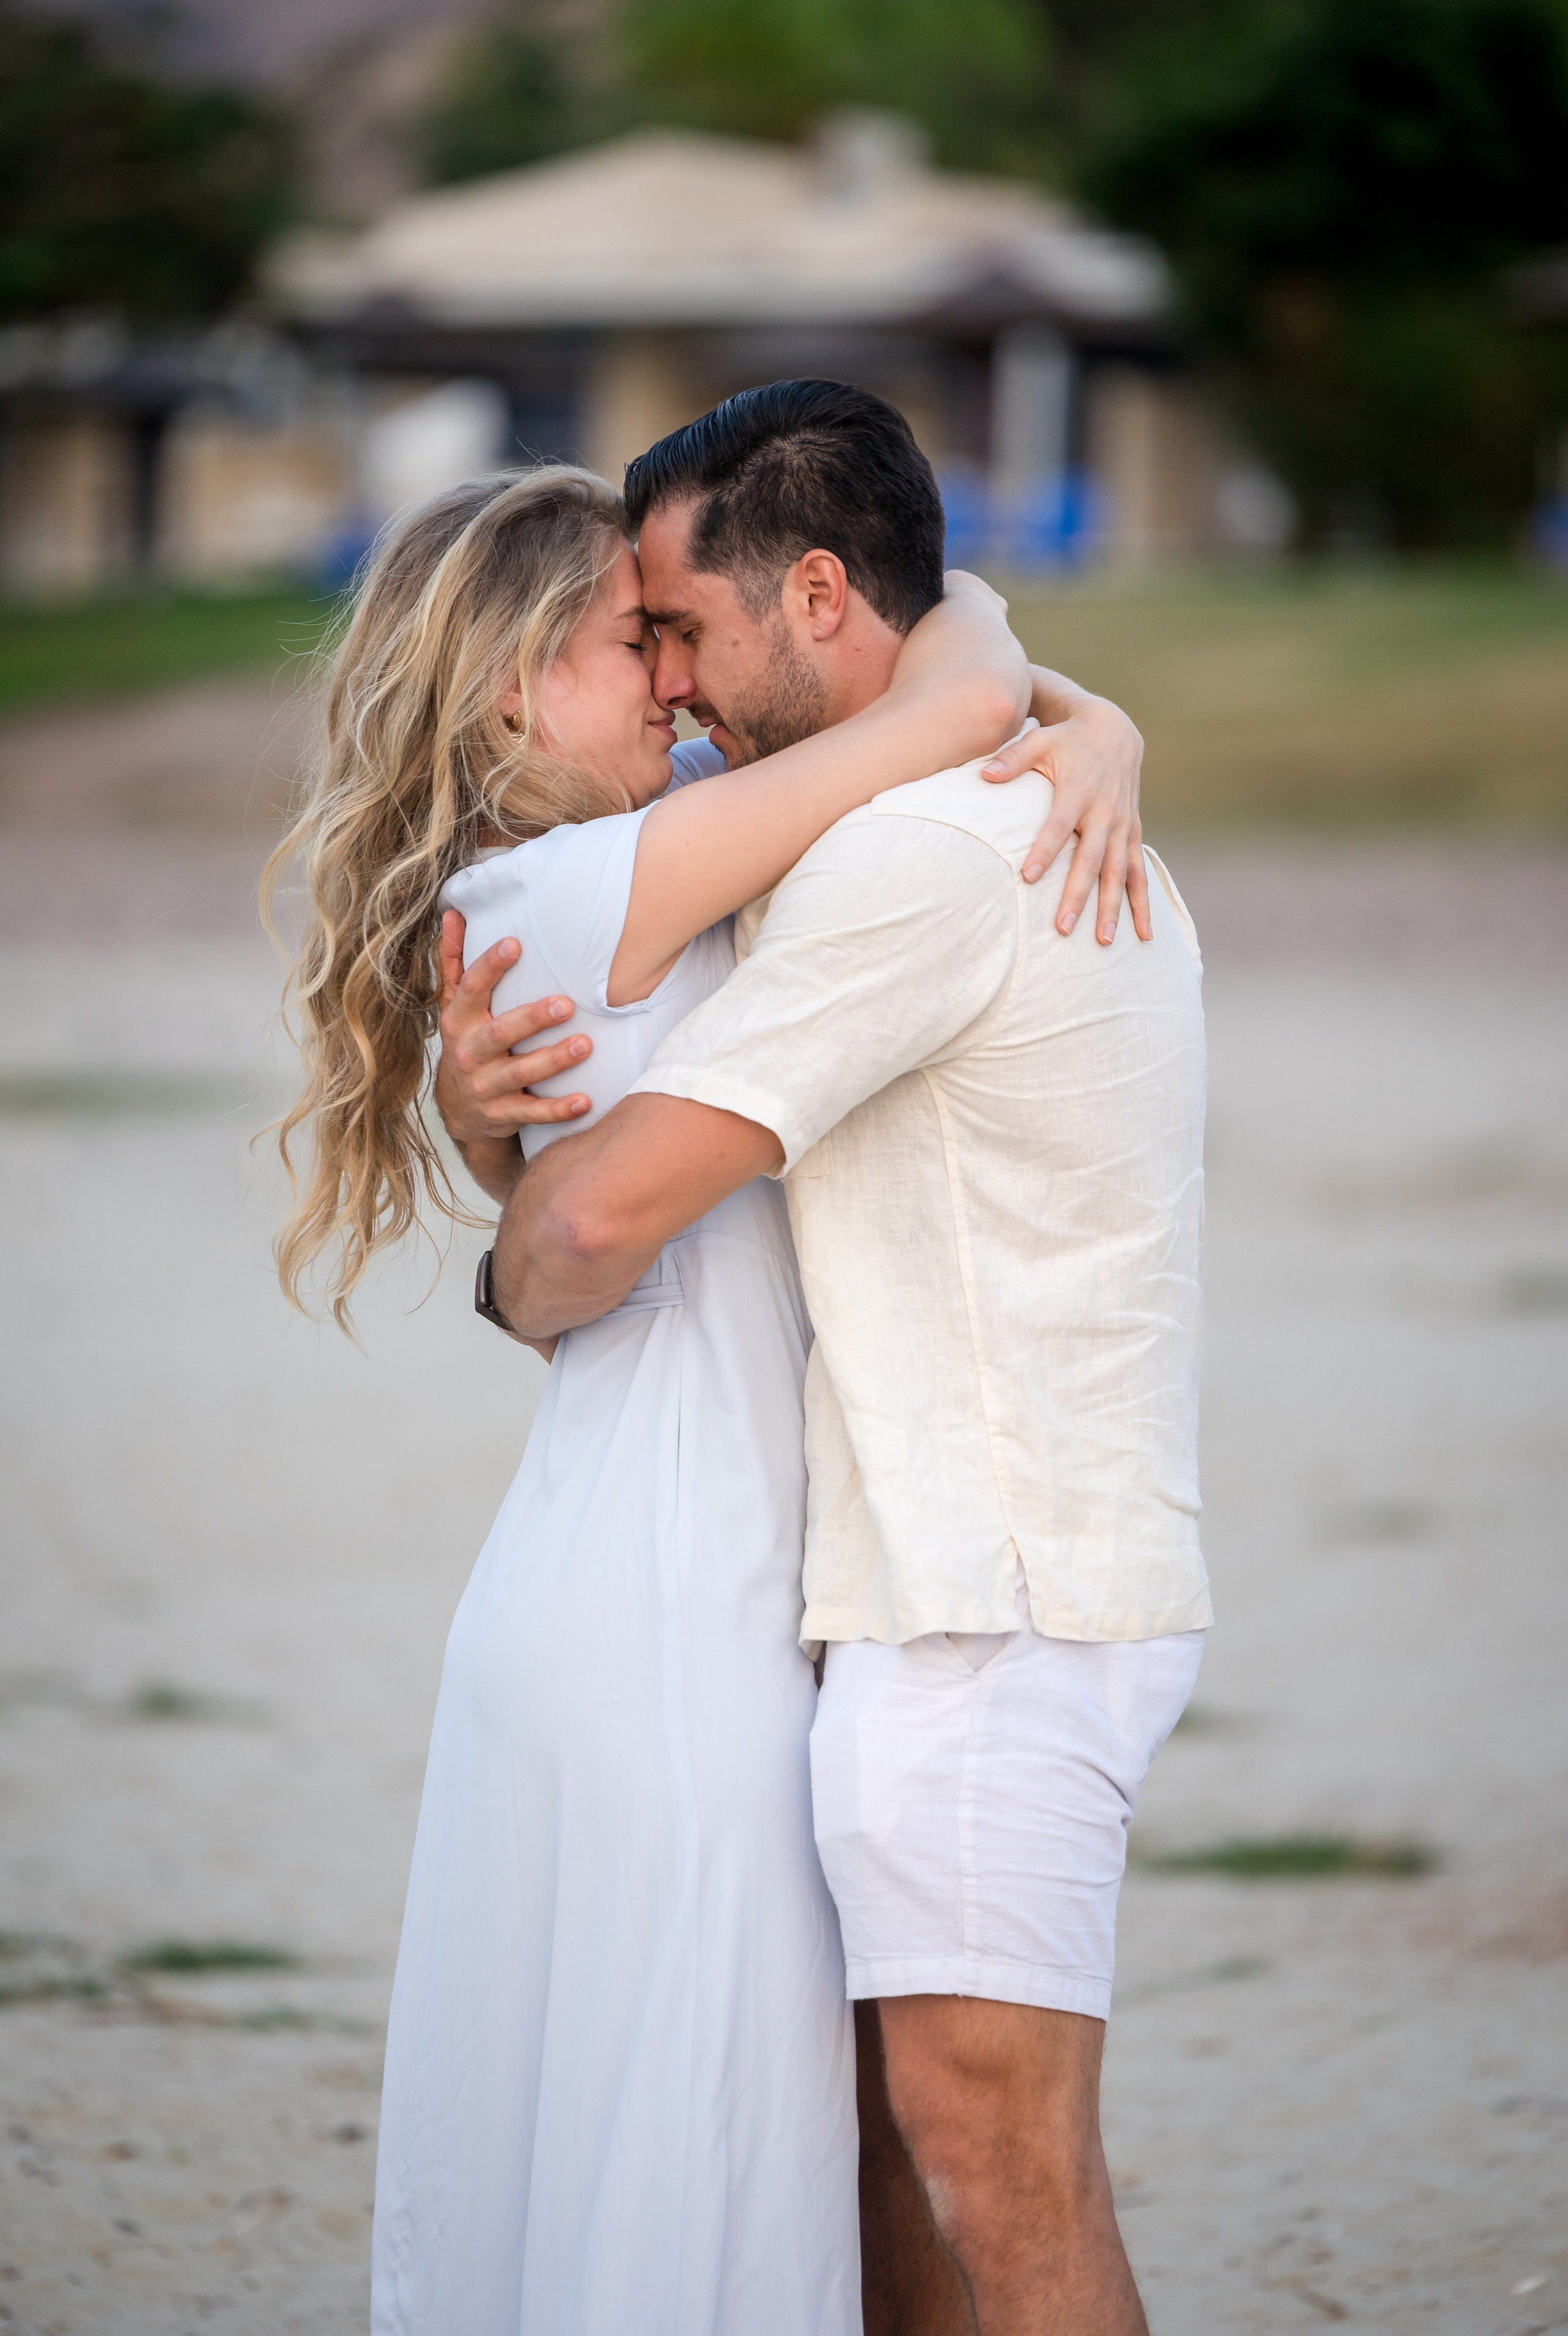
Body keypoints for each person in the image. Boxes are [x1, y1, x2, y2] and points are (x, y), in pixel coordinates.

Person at [263, 443, 1144, 2336]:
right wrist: (1067, 699)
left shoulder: (598, 879)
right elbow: (957, 692)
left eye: (676, 634)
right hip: (675, 1615)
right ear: (511, 687)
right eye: (625, 641)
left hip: (660, 1583)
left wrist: (1103, 719)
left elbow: (916, 711)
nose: (673, 682)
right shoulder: (592, 884)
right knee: (696, 2170)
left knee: (665, 2155)